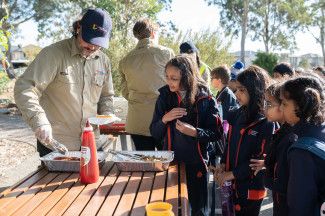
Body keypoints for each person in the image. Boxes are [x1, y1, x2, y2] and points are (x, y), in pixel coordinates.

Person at [14, 8, 114, 156]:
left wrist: (107, 113)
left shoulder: (103, 61)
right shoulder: (53, 54)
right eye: (89, 40)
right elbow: (25, 88)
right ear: (78, 28)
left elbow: (106, 96)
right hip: (56, 145)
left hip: (92, 143)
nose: (92, 47)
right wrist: (39, 121)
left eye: (98, 43)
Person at [150, 55, 224, 215]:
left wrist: (194, 132)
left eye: (174, 78)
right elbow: (154, 132)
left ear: (187, 77)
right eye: (167, 77)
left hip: (196, 163)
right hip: (170, 163)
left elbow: (217, 133)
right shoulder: (164, 96)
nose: (169, 81)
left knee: (198, 210)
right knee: (173, 208)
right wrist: (164, 119)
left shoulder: (205, 98)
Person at [214, 65, 278, 216]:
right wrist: (222, 164)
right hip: (230, 185)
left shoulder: (267, 122)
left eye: (242, 90)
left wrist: (230, 174)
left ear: (255, 91)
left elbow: (258, 161)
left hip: (250, 190)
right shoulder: (237, 114)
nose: (237, 93)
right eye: (236, 89)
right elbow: (229, 143)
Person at [119, 18, 174, 151]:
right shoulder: (166, 53)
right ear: (153, 33)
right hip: (163, 119)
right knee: (165, 166)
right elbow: (177, 83)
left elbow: (125, 91)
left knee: (144, 166)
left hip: (137, 121)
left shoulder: (125, 60)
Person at [279, 76, 325, 216]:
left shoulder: (301, 151)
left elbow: (299, 206)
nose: (280, 108)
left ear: (300, 106)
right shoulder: (320, 129)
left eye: (284, 104)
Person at [250, 82, 293, 216]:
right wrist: (267, 163)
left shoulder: (290, 137)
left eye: (269, 104)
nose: (264, 109)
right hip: (279, 200)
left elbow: (283, 179)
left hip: (287, 203)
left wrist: (269, 171)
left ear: (283, 105)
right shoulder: (282, 131)